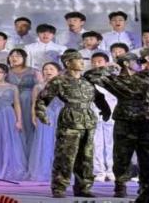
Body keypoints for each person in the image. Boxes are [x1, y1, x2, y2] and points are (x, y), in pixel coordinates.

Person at [85, 46, 149, 197]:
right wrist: (111, 67)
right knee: (122, 156)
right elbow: (89, 75)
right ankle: (120, 185)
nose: (139, 63)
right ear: (126, 63)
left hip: (145, 120)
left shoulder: (146, 76)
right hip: (125, 120)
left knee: (148, 156)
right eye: (136, 62)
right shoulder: (115, 80)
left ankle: (146, 186)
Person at [34, 49, 106, 198]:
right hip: (70, 121)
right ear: (68, 63)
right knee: (65, 156)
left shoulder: (87, 81)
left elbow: (99, 97)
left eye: (82, 60)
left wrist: (105, 110)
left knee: (86, 156)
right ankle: (59, 187)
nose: (82, 63)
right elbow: (42, 99)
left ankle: (83, 187)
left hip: (88, 121)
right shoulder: (59, 80)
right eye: (78, 60)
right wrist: (41, 114)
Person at [27, 62, 64, 182]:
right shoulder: (38, 87)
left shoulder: (64, 85)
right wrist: (33, 116)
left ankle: (61, 171)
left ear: (58, 72)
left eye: (51, 69)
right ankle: (44, 170)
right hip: (44, 115)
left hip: (60, 115)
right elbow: (34, 103)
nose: (48, 71)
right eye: (46, 69)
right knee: (44, 142)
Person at [88, 52, 117, 182]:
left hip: (112, 114)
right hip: (94, 113)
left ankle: (111, 170)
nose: (96, 64)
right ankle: (99, 171)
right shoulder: (87, 78)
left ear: (106, 62)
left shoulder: (113, 78)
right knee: (96, 143)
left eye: (99, 61)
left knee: (111, 143)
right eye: (94, 62)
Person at [7, 48, 40, 152]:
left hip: (29, 102)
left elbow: (40, 87)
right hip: (11, 103)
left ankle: (30, 152)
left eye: (17, 56)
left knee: (29, 125)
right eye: (12, 56)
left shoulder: (33, 71)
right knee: (14, 126)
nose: (14, 58)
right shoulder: (6, 72)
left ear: (24, 58)